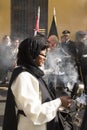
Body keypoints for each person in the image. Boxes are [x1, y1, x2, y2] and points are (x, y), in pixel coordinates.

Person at [3, 35, 72, 130]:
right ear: (32, 54)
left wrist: (60, 105)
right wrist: (59, 102)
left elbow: (41, 100)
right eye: (43, 55)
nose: (45, 58)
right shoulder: (23, 77)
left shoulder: (32, 73)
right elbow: (35, 113)